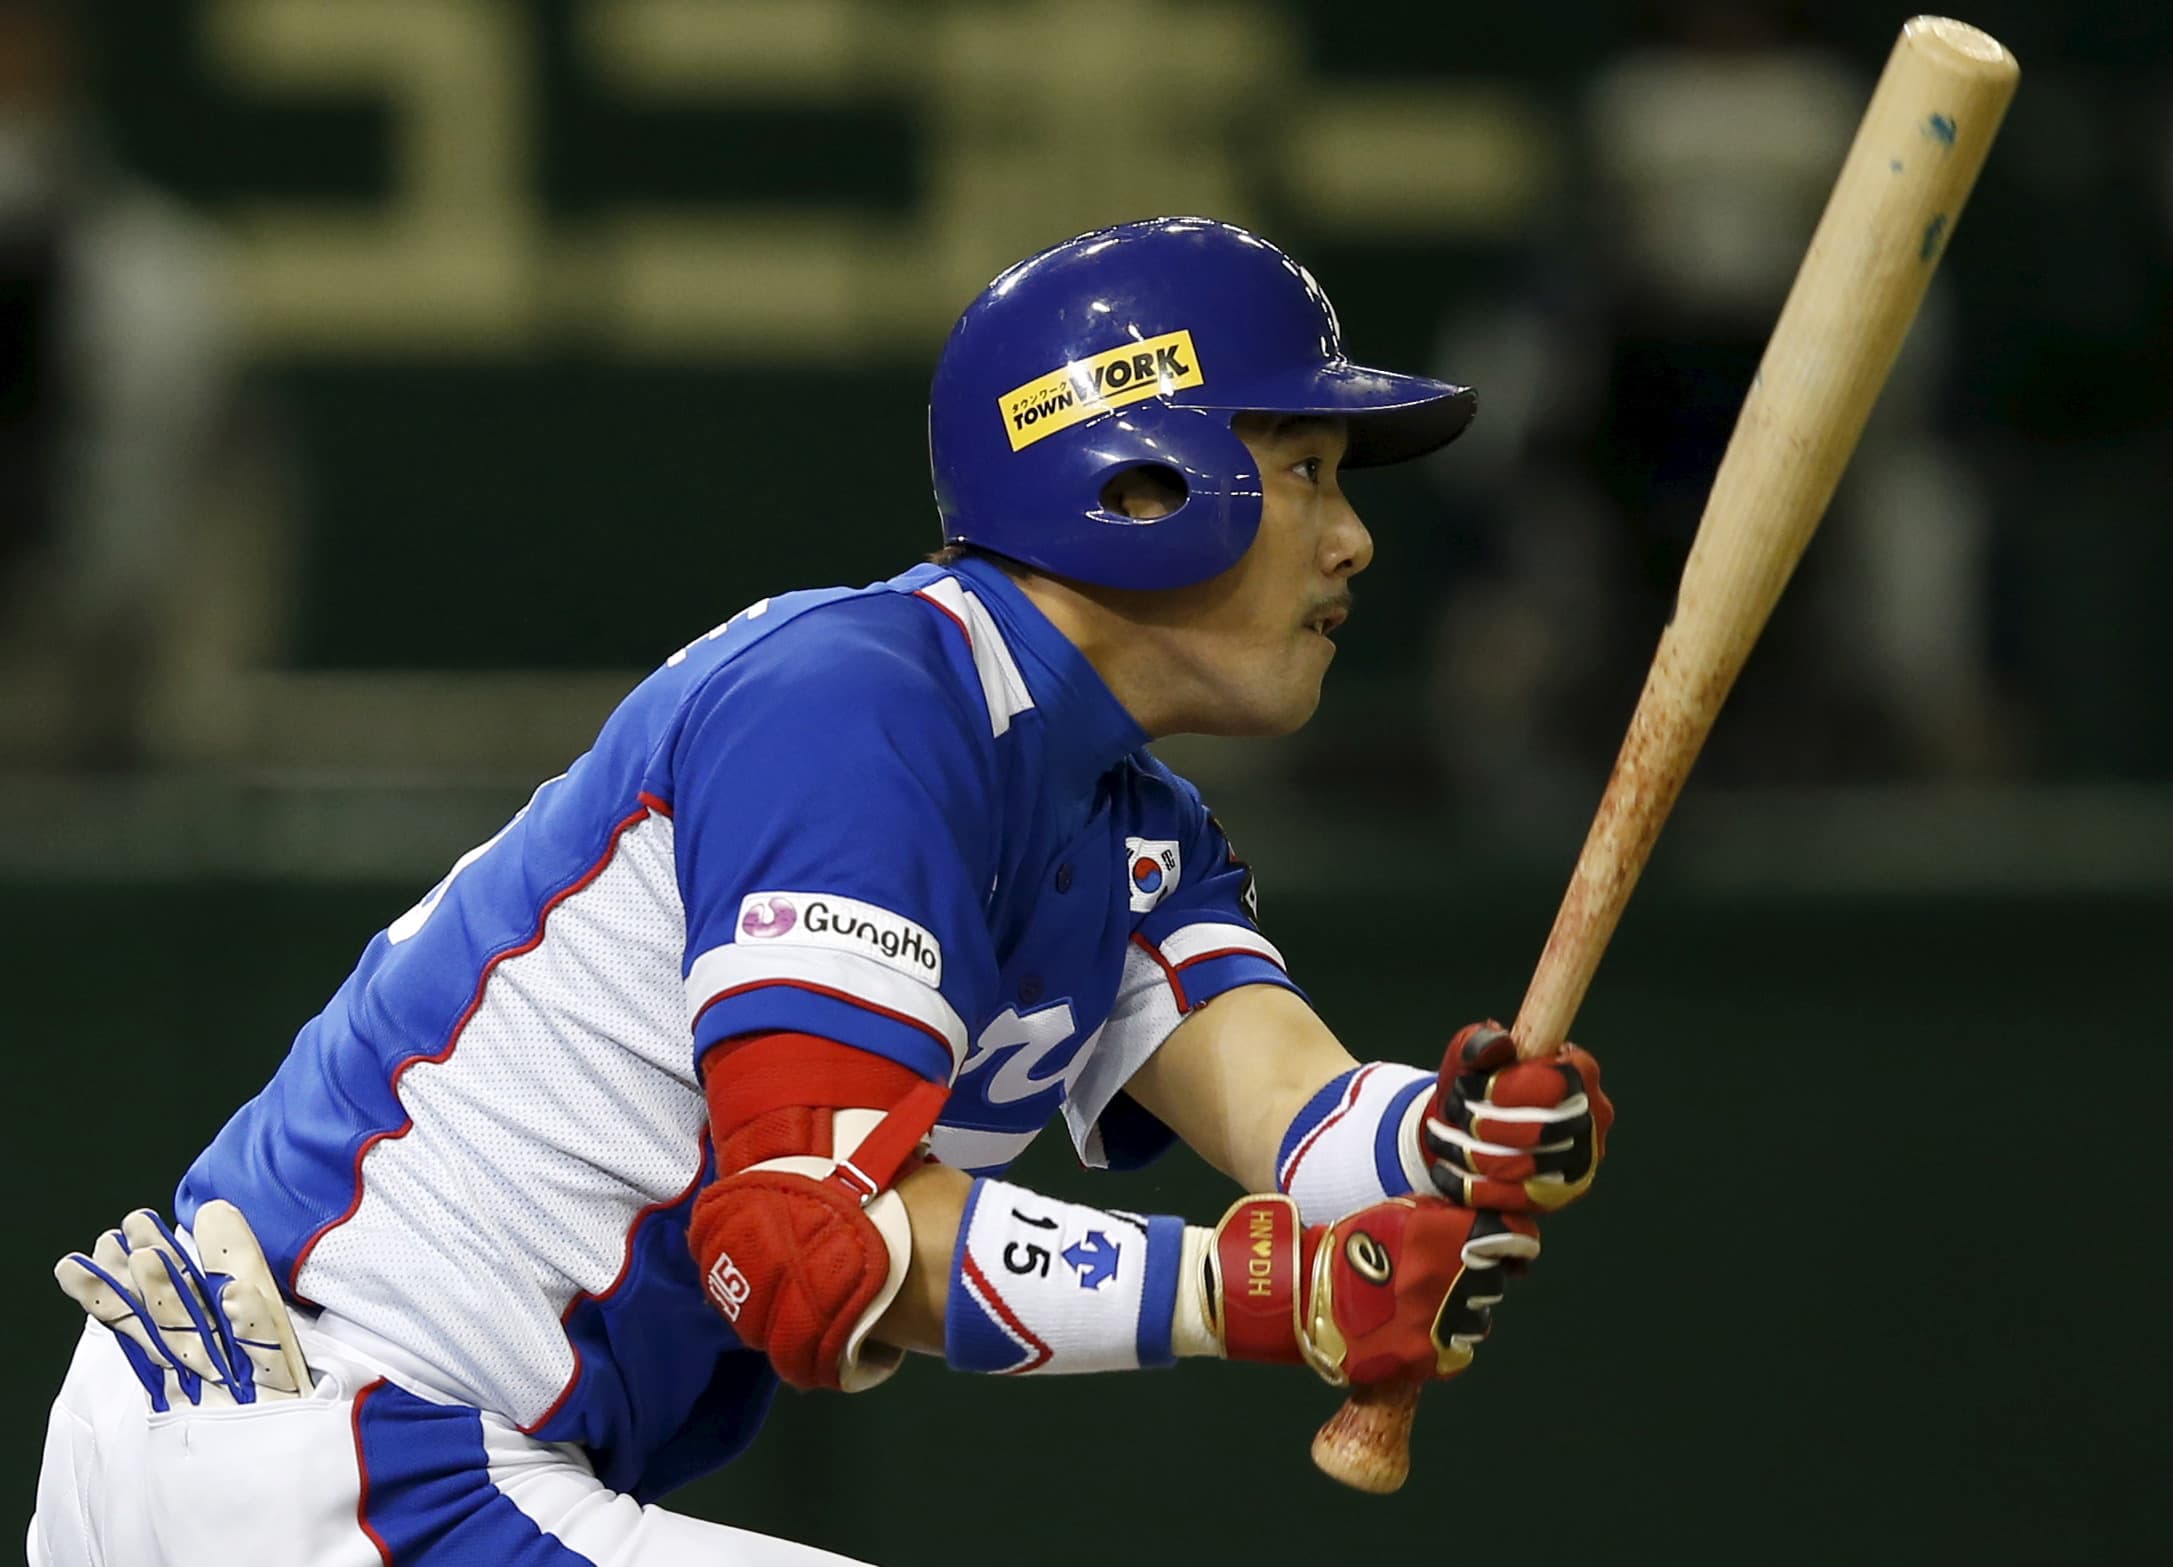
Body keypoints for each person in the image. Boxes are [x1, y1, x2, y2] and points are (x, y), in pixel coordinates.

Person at [31, 217, 1613, 1566]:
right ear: (1135, 479)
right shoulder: (859, 701)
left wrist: (1452, 1140)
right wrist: (1248, 1287)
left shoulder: (1119, 809)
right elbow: (800, 1249)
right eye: (1306, 469)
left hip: (387, 1458)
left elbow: (1304, 1121)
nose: (1351, 542)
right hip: (333, 1434)